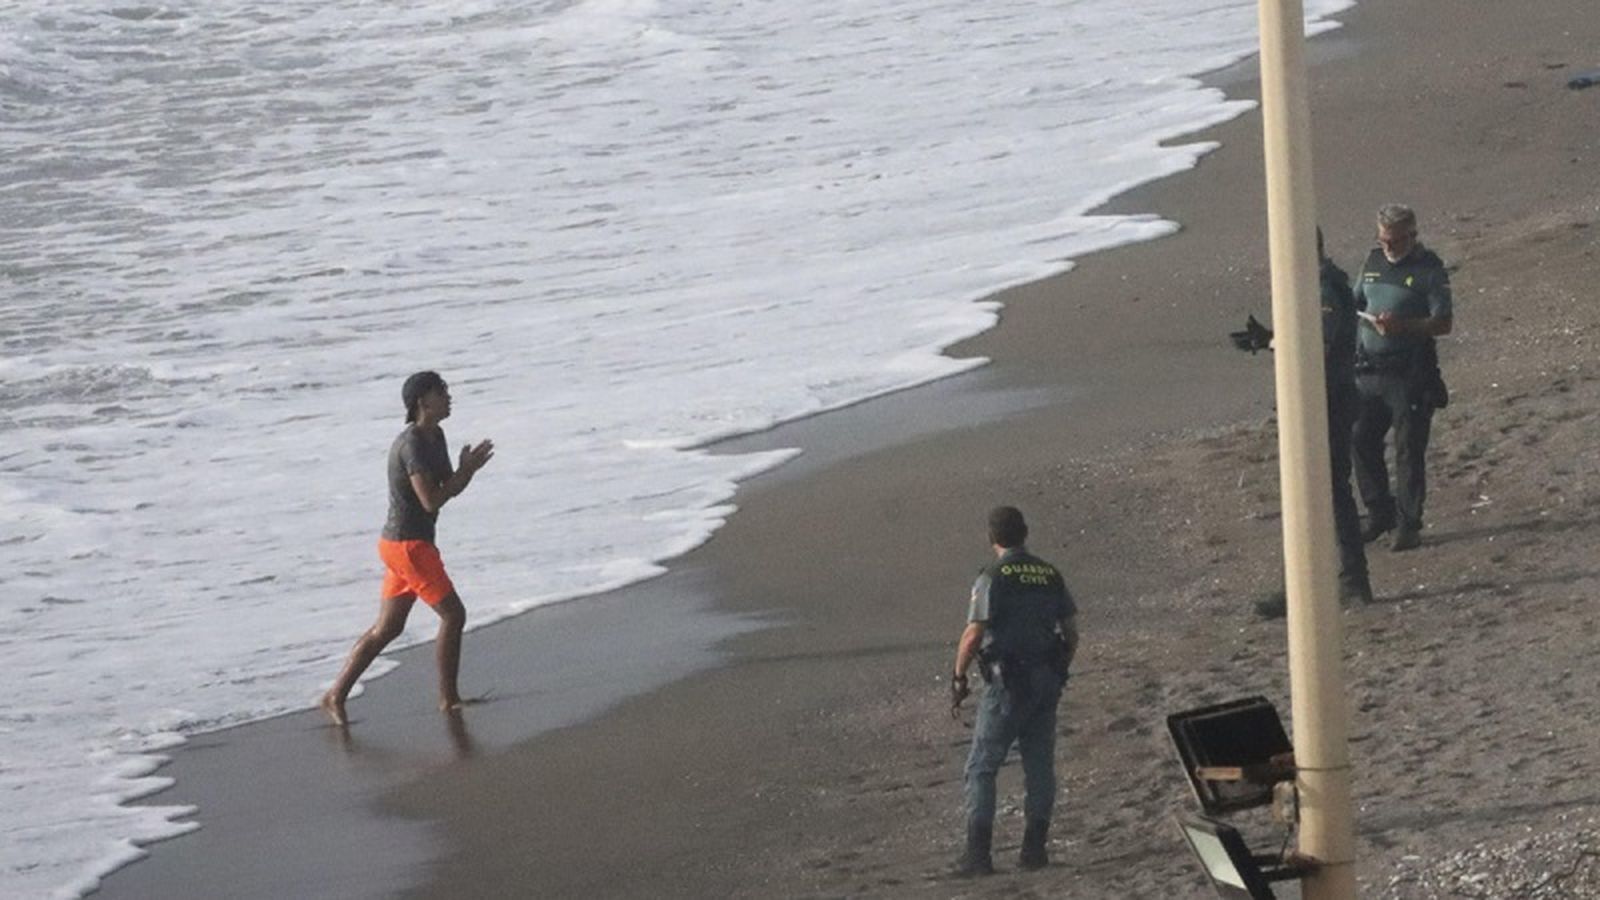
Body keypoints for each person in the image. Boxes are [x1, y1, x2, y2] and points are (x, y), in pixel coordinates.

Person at [321, 371, 495, 726]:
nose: (449, 397)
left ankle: (334, 696)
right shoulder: (412, 445)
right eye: (441, 392)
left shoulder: (436, 435)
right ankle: (448, 699)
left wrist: (467, 471)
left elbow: (447, 488)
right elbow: (431, 500)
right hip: (408, 545)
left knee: (387, 629)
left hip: (402, 544)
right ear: (422, 401)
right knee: (453, 615)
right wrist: (462, 474)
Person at [950, 506, 1078, 876]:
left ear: (992, 538)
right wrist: (1058, 669)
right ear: (1025, 533)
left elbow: (974, 634)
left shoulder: (992, 577)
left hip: (1008, 683)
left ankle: (978, 856)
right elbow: (1072, 634)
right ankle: (1034, 850)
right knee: (1039, 765)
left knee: (982, 766)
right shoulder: (1049, 574)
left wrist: (958, 677)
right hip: (1046, 678)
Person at [1253, 228, 1373, 618]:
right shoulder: (1313, 285)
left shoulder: (1323, 290)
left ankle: (1348, 579)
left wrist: (1277, 344)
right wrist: (1271, 339)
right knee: (1313, 491)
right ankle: (1310, 581)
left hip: (1327, 401)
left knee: (1327, 490)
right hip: (1320, 398)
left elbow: (1317, 348)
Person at [1351, 204, 1453, 552]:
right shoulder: (1372, 262)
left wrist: (1402, 326)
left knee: (1408, 449)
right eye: (1383, 240)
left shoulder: (1429, 269)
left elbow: (1443, 322)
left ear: (1412, 235)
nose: (1388, 248)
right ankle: (1379, 511)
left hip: (1409, 373)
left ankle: (1408, 524)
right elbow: (1355, 303)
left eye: (1394, 241)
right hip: (1369, 370)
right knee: (1360, 438)